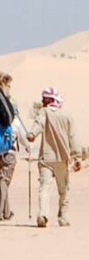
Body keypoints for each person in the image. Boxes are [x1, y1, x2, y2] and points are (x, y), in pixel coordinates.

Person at [27, 87, 82, 228]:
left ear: (48, 100)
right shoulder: (67, 115)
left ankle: (43, 215)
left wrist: (32, 134)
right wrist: (77, 157)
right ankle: (63, 218)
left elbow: (38, 125)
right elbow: (73, 137)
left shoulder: (43, 112)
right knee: (63, 190)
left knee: (44, 188)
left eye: (44, 99)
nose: (42, 101)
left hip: (46, 158)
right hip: (62, 159)